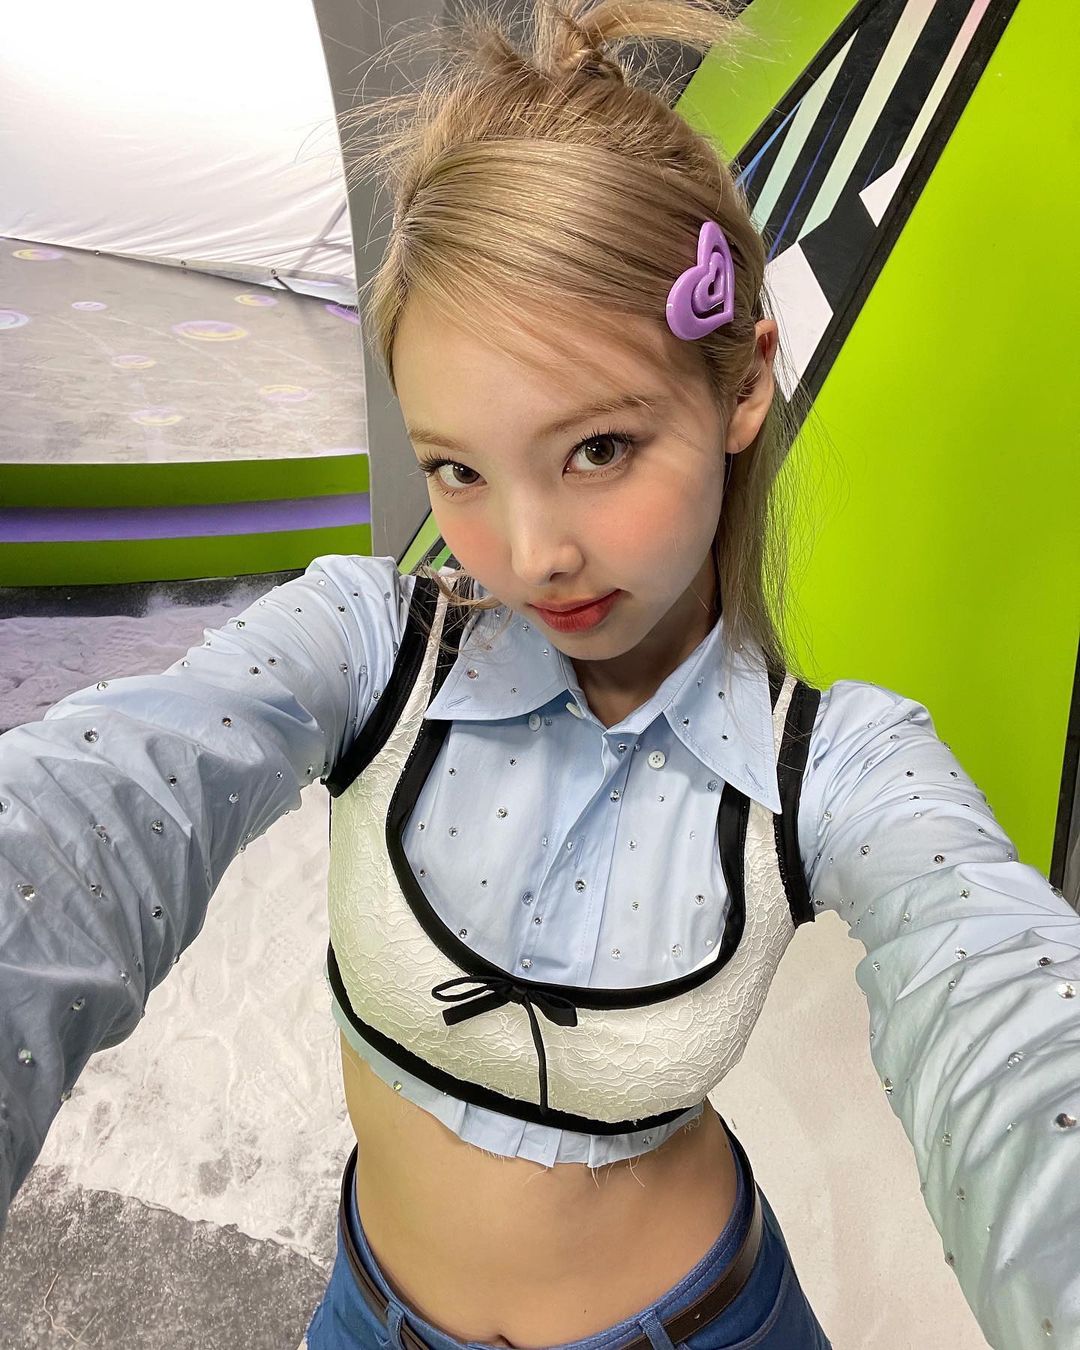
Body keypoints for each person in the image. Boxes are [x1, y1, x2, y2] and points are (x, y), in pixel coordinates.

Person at [0, 1, 1077, 1347]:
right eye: (458, 467)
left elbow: (1012, 1016)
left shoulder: (840, 764)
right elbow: (86, 819)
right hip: (366, 1315)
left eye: (598, 449)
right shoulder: (367, 643)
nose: (528, 552)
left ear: (743, 384)